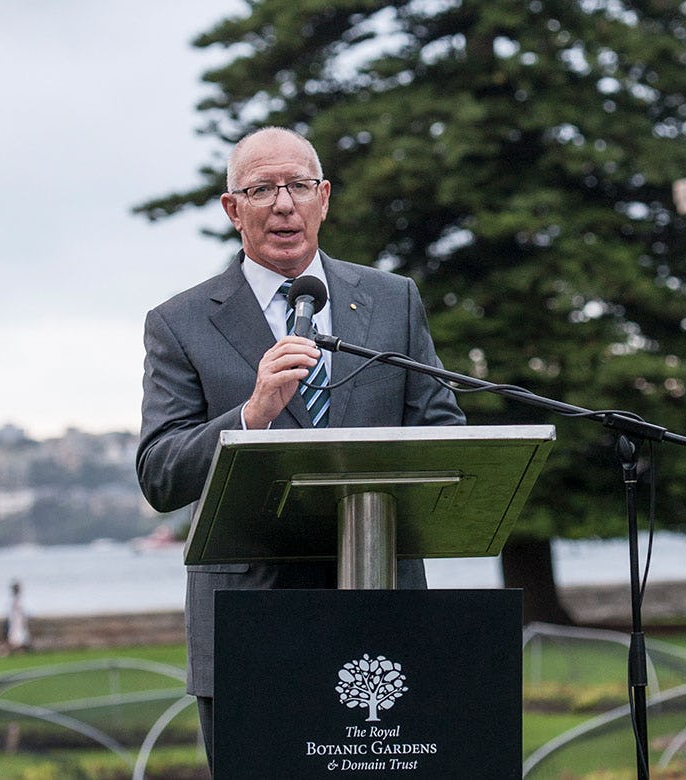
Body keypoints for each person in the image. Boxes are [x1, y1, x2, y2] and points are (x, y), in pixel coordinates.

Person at [135, 127, 465, 768]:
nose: (283, 204)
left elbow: (442, 434)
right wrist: (251, 417)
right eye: (262, 189)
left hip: (383, 614)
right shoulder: (179, 322)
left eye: (299, 186)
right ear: (233, 210)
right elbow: (160, 473)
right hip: (249, 623)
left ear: (324, 198)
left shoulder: (393, 301)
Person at [0, 579, 31, 657]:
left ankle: (16, 654)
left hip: (16, 623)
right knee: (15, 641)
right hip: (16, 624)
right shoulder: (15, 601)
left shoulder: (16, 600)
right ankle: (2, 652)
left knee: (18, 641)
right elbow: (16, 614)